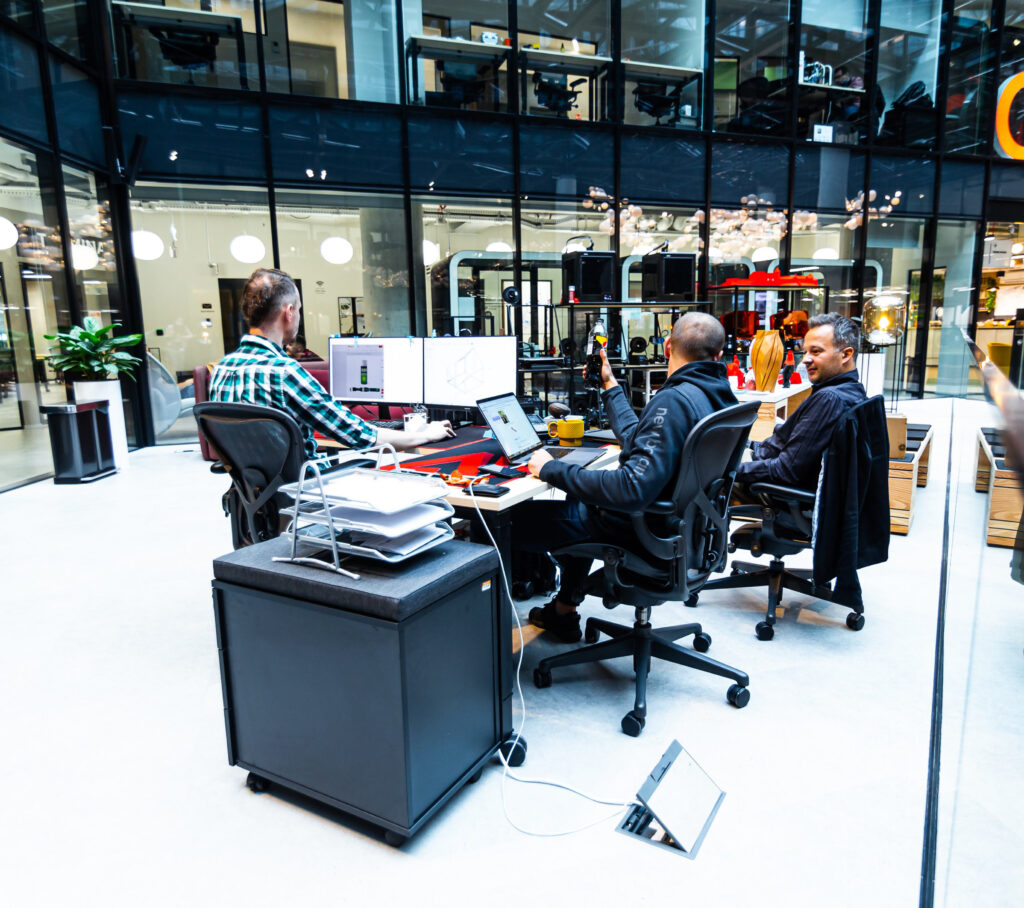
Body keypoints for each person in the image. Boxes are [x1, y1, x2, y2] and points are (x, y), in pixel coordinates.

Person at [512, 312, 738, 643]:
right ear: (719, 356)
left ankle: (485, 653)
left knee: (497, 522)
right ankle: (563, 611)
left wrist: (549, 468)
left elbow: (632, 488)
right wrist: (609, 384)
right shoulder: (715, 396)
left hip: (642, 534)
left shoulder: (674, 401)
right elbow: (642, 443)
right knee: (580, 492)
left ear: (666, 346)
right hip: (685, 535)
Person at [210, 268, 453, 462]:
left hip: (253, 498)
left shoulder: (222, 369)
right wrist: (424, 434)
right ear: (289, 312)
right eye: (300, 311)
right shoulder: (285, 373)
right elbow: (359, 435)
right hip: (306, 494)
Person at [735, 312, 866, 493]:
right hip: (766, 460)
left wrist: (728, 470)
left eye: (816, 351)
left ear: (846, 354)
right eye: (805, 351)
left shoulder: (830, 400)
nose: (805, 359)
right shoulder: (851, 391)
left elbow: (786, 470)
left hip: (776, 487)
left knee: (699, 477)